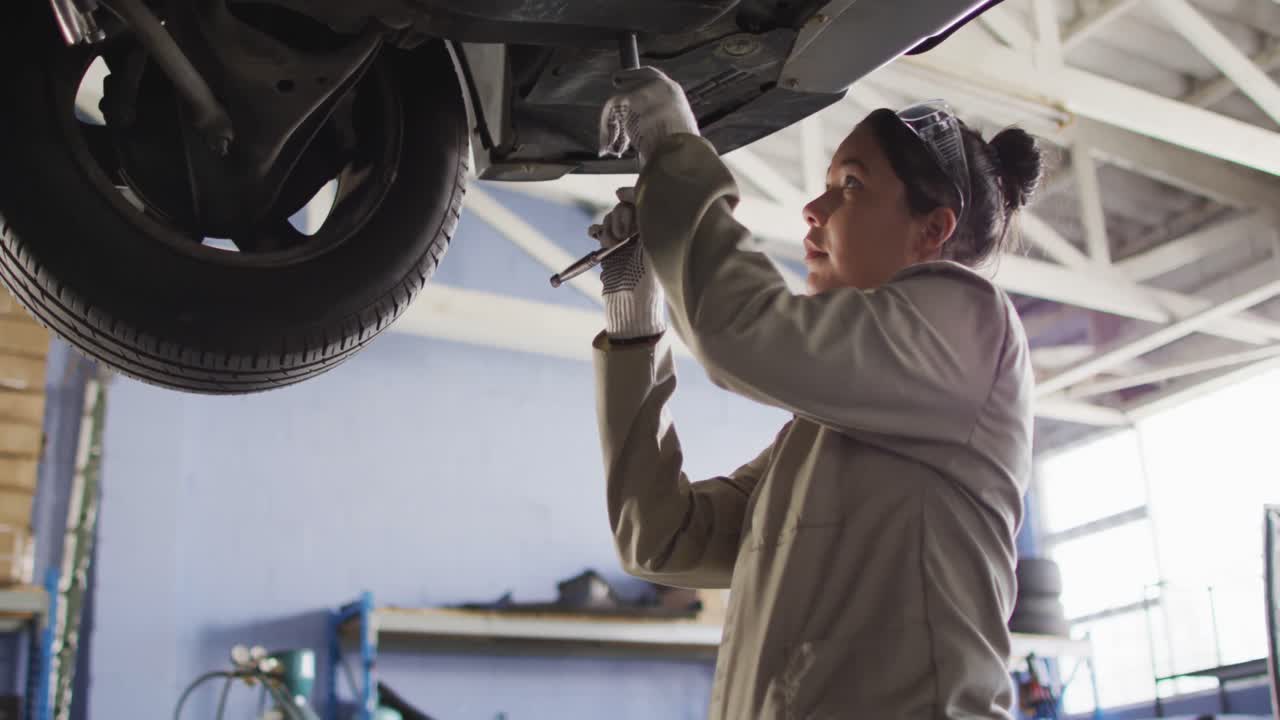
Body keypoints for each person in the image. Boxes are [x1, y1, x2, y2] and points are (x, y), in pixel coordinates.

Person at [589, 67, 1043, 719]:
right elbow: (663, 537)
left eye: (850, 186)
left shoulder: (973, 326)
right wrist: (633, 318)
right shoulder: (824, 437)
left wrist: (671, 146)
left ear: (932, 229)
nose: (814, 208)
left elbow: (742, 331)